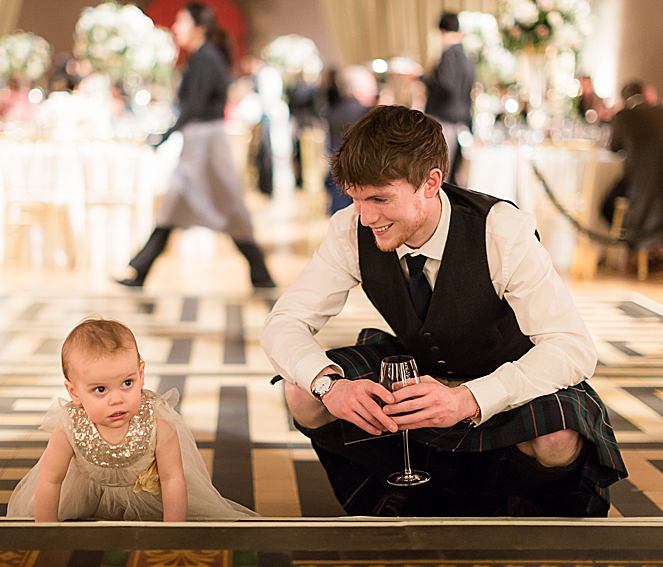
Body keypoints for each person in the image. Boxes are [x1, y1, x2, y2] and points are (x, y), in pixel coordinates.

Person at [260, 105, 627, 517]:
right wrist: (329, 386)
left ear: (431, 182)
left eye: (380, 198)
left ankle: (525, 500)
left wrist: (470, 397)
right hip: (417, 370)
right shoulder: (350, 229)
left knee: (557, 436)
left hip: (506, 375)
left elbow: (572, 346)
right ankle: (399, 489)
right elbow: (284, 322)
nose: (366, 217)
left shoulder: (500, 229)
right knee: (301, 392)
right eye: (356, 198)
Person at [7, 317, 257, 521]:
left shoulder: (158, 426)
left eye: (127, 383)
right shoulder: (68, 431)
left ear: (141, 374)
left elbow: (172, 479)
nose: (116, 399)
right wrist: (46, 533)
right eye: (100, 390)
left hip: (148, 498)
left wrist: (174, 531)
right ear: (74, 393)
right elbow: (51, 481)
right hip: (84, 494)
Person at [117, 3, 275, 290]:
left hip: (207, 144)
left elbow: (194, 106)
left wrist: (165, 136)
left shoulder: (205, 59)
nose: (176, 28)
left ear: (198, 28)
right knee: (176, 205)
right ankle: (140, 270)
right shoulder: (203, 58)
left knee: (228, 206)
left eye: (181, 22)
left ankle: (261, 272)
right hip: (201, 141)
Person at [603, 81, 663, 250]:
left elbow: (614, 147)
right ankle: (654, 249)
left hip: (636, 184)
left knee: (605, 206)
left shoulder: (624, 116)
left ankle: (629, 249)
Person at [419, 12, 475, 185]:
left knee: (440, 174)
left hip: (444, 120)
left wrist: (422, 78)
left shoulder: (449, 54)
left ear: (441, 31)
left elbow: (445, 87)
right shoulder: (467, 57)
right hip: (460, 121)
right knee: (450, 174)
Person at [324, 65, 377, 215]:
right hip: (354, 186)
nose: (374, 91)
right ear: (356, 90)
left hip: (338, 181)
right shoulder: (363, 114)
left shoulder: (335, 110)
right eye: (371, 87)